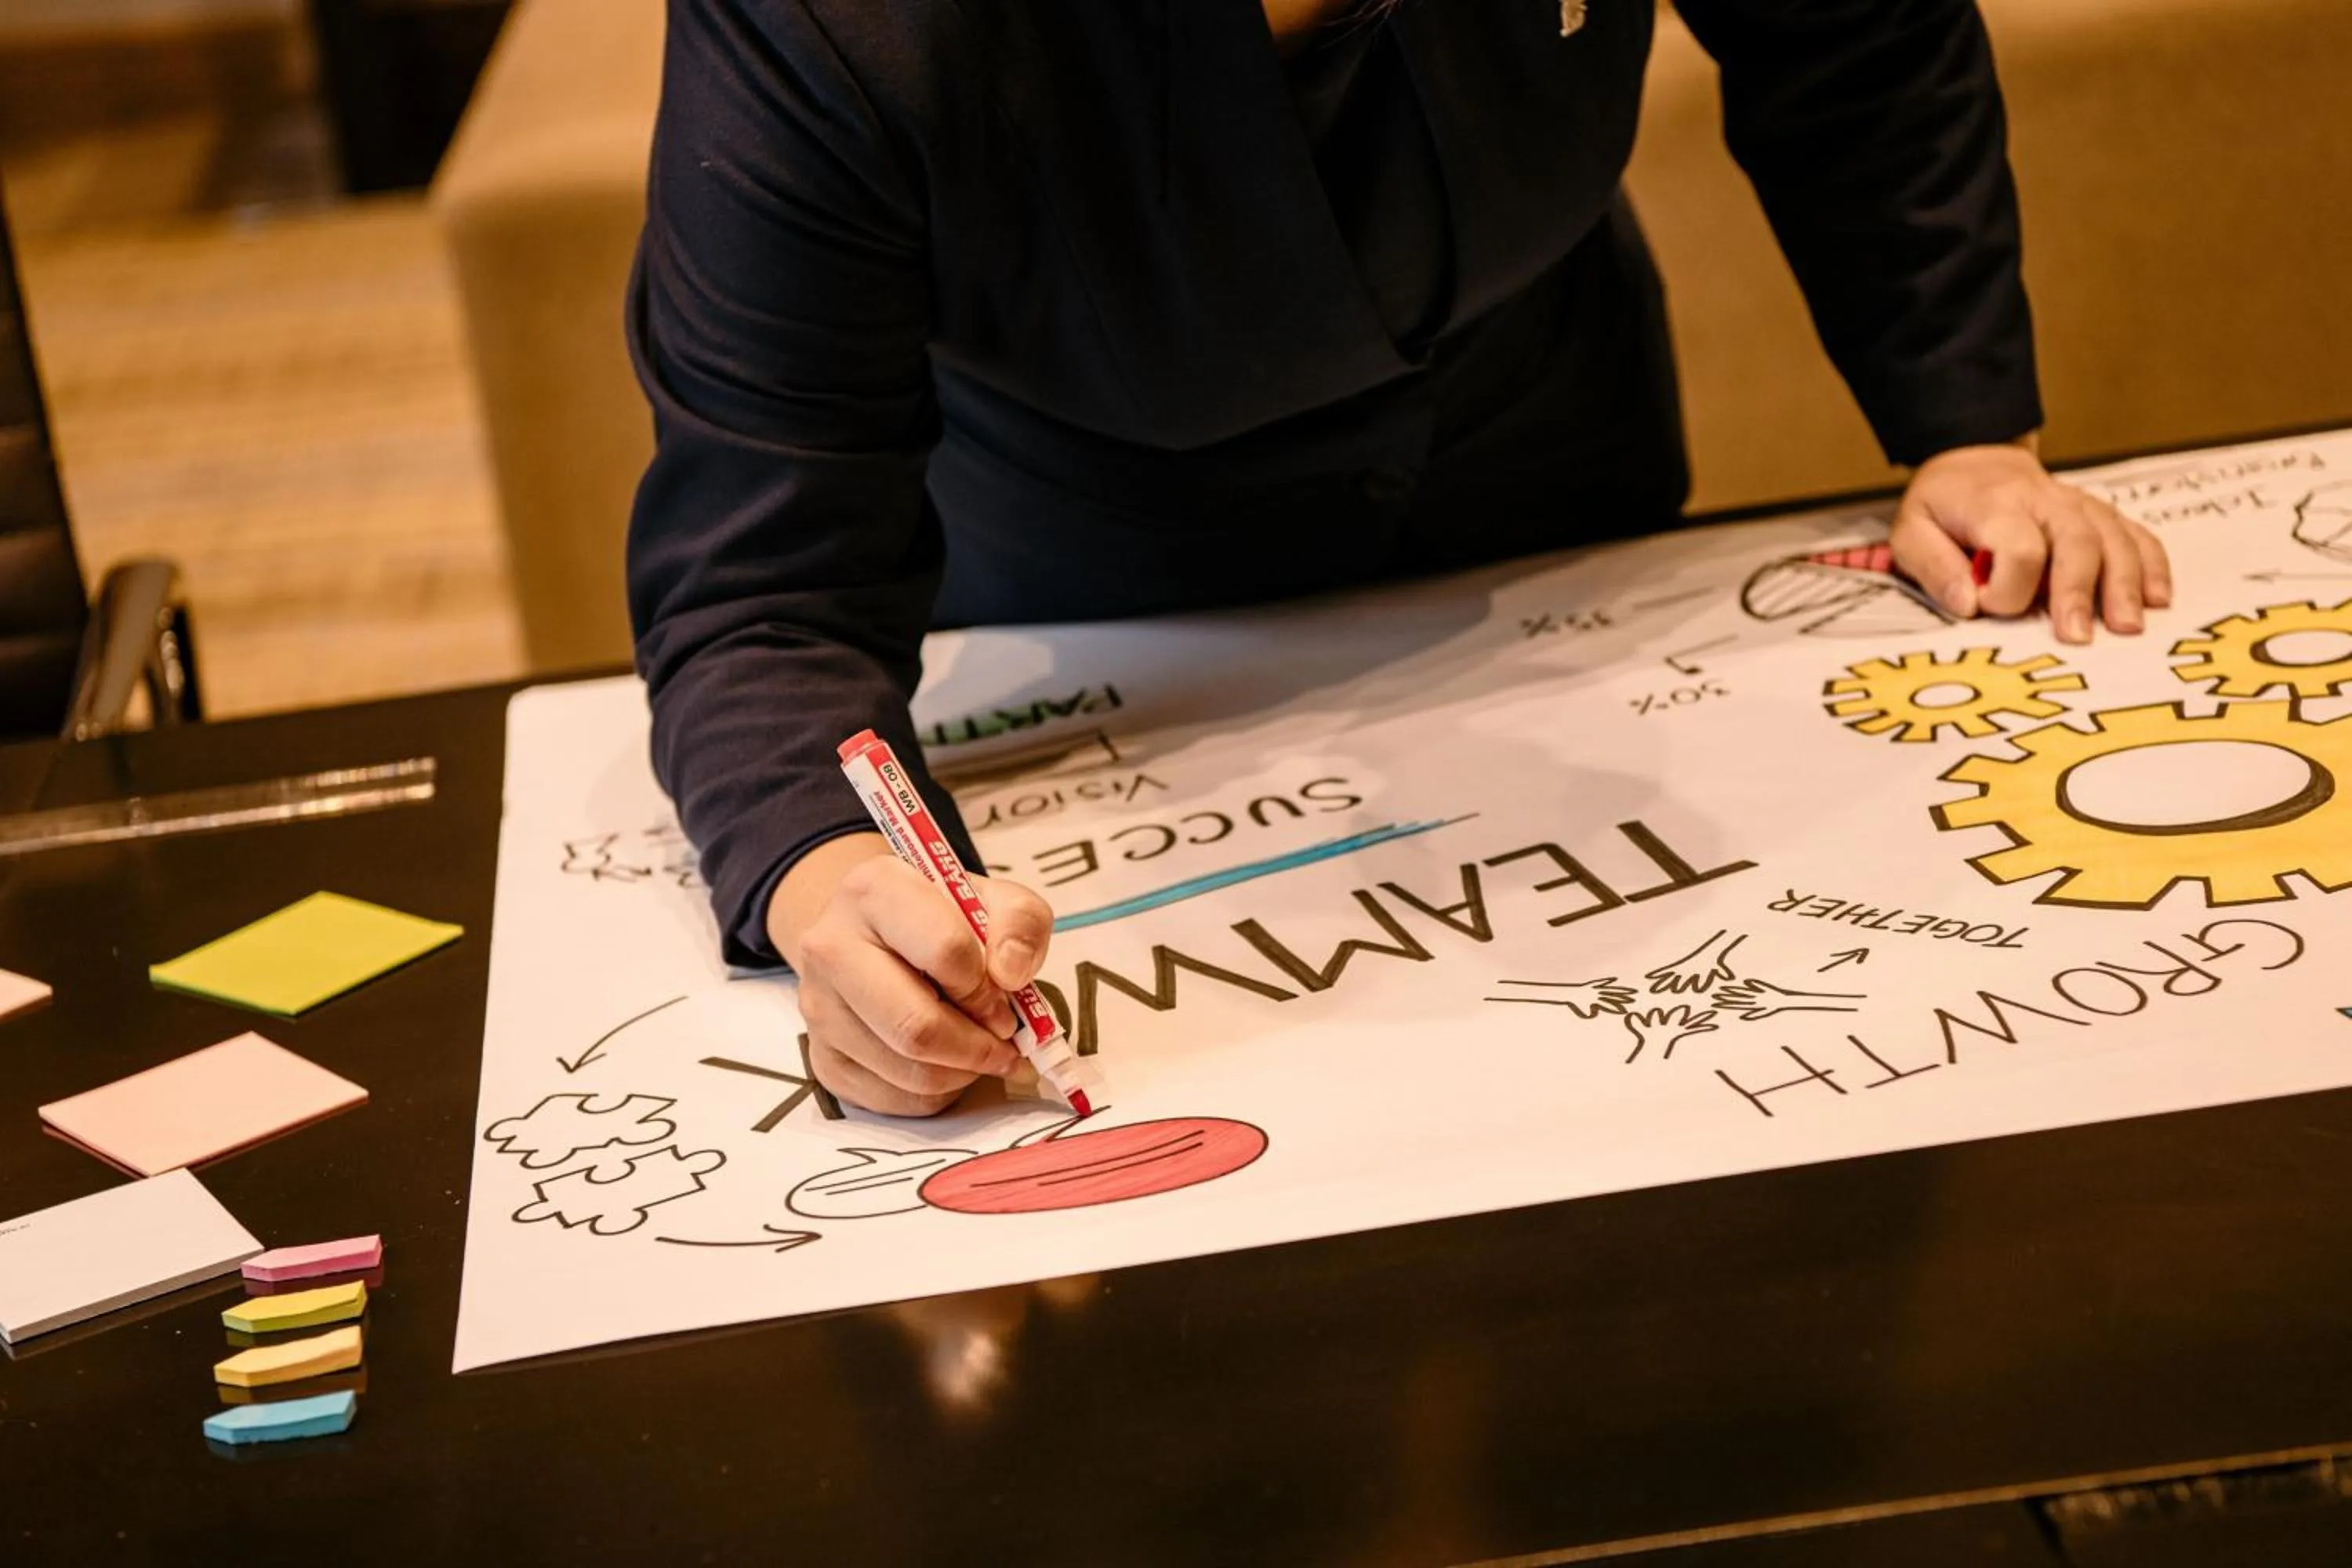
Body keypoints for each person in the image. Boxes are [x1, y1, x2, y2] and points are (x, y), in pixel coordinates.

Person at [626, 0, 2172, 1116]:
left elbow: (1859, 41)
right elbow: (765, 591)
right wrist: (834, 886)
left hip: (1547, 454)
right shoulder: (830, 28)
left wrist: (1967, 426)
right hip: (1098, 583)